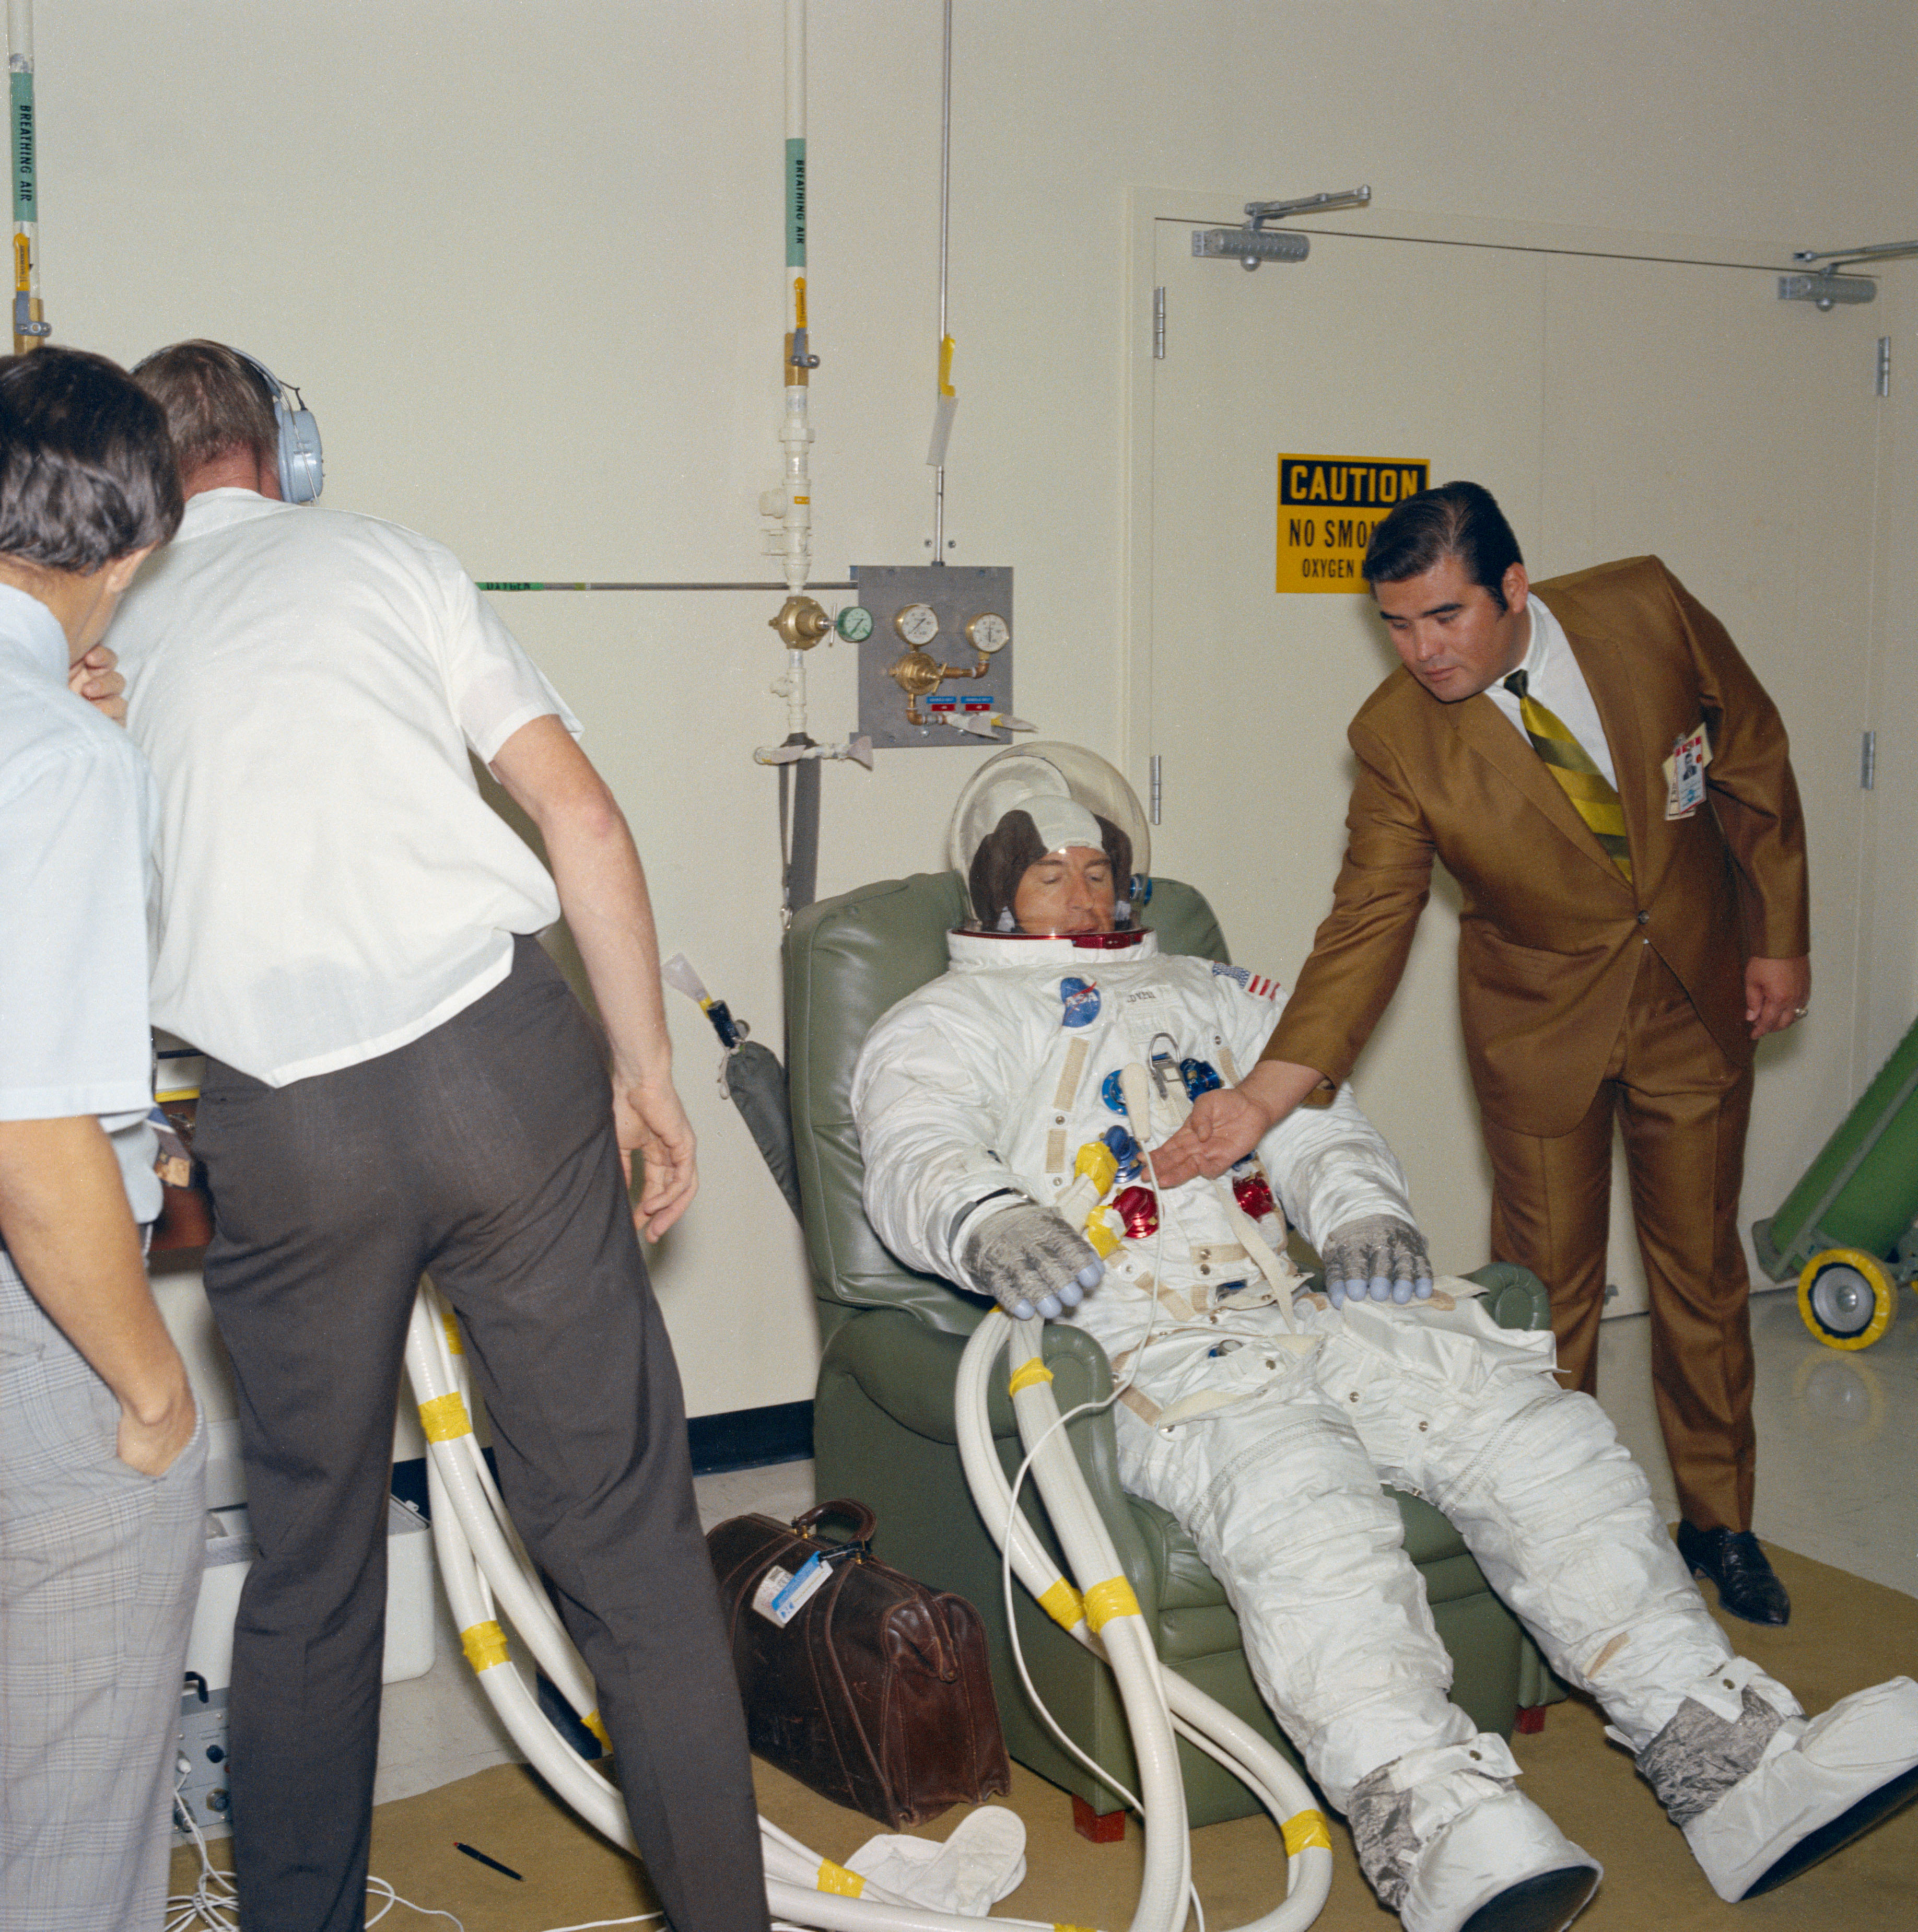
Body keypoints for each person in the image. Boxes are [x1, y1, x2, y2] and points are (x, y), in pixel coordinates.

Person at [850, 744, 1917, 1932]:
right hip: (1134, 1349)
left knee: (1534, 1430)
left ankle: (1729, 1757)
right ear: (997, 892)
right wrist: (989, 1218)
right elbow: (917, 1149)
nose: (1086, 897)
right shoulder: (942, 1021)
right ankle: (1431, 1818)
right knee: (1307, 1499)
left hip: (1292, 1307)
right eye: (1052, 876)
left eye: (1099, 871)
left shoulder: (1209, 988)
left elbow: (1310, 1105)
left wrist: (1359, 1209)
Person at [109, 341, 766, 1932]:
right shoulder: (395, 560)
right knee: (623, 1544)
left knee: (314, 1574)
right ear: (291, 453)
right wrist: (649, 1067)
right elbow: (584, 818)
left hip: (282, 1113)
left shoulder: (108, 641)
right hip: (499, 1066)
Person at [1154, 482, 1807, 1629]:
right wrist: (1265, 1092)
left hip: (1694, 996)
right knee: (1542, 1297)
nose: (1423, 651)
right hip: (1540, 1023)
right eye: (1397, 625)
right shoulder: (1398, 738)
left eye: (1445, 617)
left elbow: (1748, 750)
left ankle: (1721, 1522)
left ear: (1515, 587)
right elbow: (1367, 923)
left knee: (1699, 1276)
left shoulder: (1644, 607)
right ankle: (1565, 1531)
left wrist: (1781, 937)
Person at [0, 346, 204, 1931]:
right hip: (37, 1335)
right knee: (69, 1815)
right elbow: (33, 1131)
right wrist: (148, 1388)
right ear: (130, 551)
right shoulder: (59, 759)